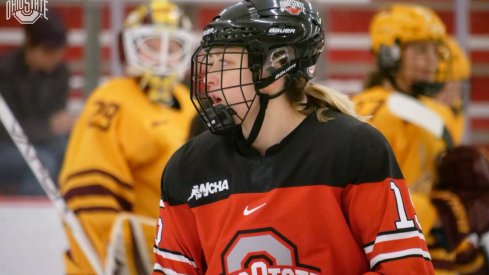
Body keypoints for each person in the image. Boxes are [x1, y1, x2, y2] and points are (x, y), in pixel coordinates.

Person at [152, 0, 434, 274]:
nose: (209, 78)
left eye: (223, 64)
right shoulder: (188, 167)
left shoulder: (355, 150)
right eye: (209, 63)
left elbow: (408, 269)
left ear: (277, 63)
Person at [58, 0, 196, 274]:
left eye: (173, 46)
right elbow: (91, 193)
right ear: (128, 47)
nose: (163, 55)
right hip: (136, 258)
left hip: (179, 255)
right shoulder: (113, 99)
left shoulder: (192, 103)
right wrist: (109, 260)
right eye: (152, 44)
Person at [353, 4, 486, 274]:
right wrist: (442, 213)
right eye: (420, 51)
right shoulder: (379, 113)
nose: (432, 62)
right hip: (393, 257)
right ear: (390, 55)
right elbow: (369, 201)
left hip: (420, 253)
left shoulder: (422, 111)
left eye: (435, 51)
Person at [0, 10, 72, 195]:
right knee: (43, 162)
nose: (54, 58)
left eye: (58, 52)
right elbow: (6, 130)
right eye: (48, 51)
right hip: (7, 143)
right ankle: (34, 218)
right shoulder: (5, 73)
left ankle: (68, 210)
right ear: (29, 46)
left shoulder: (59, 73)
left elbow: (58, 117)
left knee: (71, 152)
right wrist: (49, 127)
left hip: (39, 140)